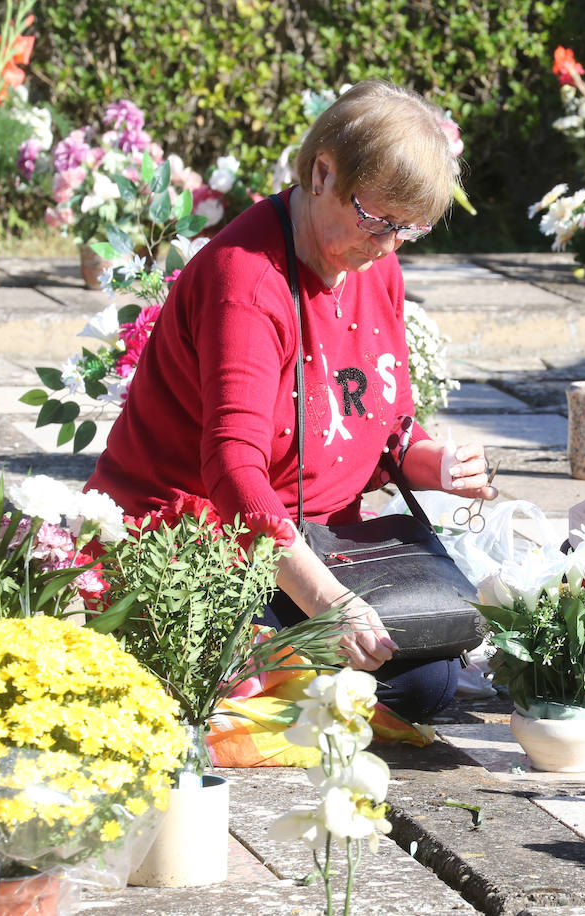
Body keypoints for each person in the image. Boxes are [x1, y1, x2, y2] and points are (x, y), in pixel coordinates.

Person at [88, 80, 495, 721]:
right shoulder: (246, 279)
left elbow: (384, 422)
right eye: (374, 219)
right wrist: (330, 602)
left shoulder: (370, 262)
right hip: (200, 543)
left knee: (427, 672)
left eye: (405, 230)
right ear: (321, 172)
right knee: (409, 685)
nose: (386, 247)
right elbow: (233, 472)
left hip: (320, 540)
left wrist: (435, 464)